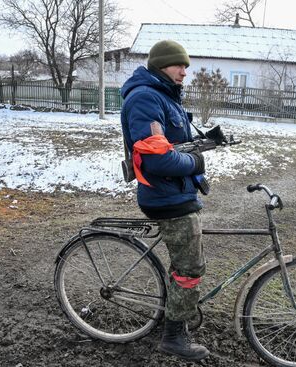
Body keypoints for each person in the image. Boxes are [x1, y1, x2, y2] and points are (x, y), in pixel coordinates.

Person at [120, 40, 210, 361]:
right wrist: (196, 163)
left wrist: (202, 146)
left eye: (186, 66)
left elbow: (173, 145)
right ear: (161, 65)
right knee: (190, 267)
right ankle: (174, 337)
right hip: (165, 196)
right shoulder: (146, 99)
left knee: (188, 261)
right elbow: (157, 161)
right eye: (179, 65)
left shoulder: (164, 97)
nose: (185, 71)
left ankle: (177, 311)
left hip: (176, 191)